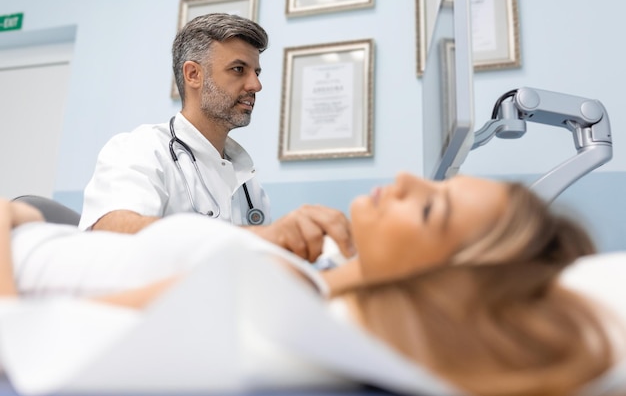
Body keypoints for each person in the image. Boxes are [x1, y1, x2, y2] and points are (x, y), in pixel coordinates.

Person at [3, 173, 625, 396]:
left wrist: (8, 218)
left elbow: (23, 333)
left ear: (439, 282)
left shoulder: (271, 293)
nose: (407, 178)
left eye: (430, 209)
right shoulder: (300, 271)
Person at [78, 12, 352, 262]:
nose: (256, 85)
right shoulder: (140, 150)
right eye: (238, 69)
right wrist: (267, 236)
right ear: (193, 74)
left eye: (256, 72)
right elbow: (112, 234)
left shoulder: (247, 182)